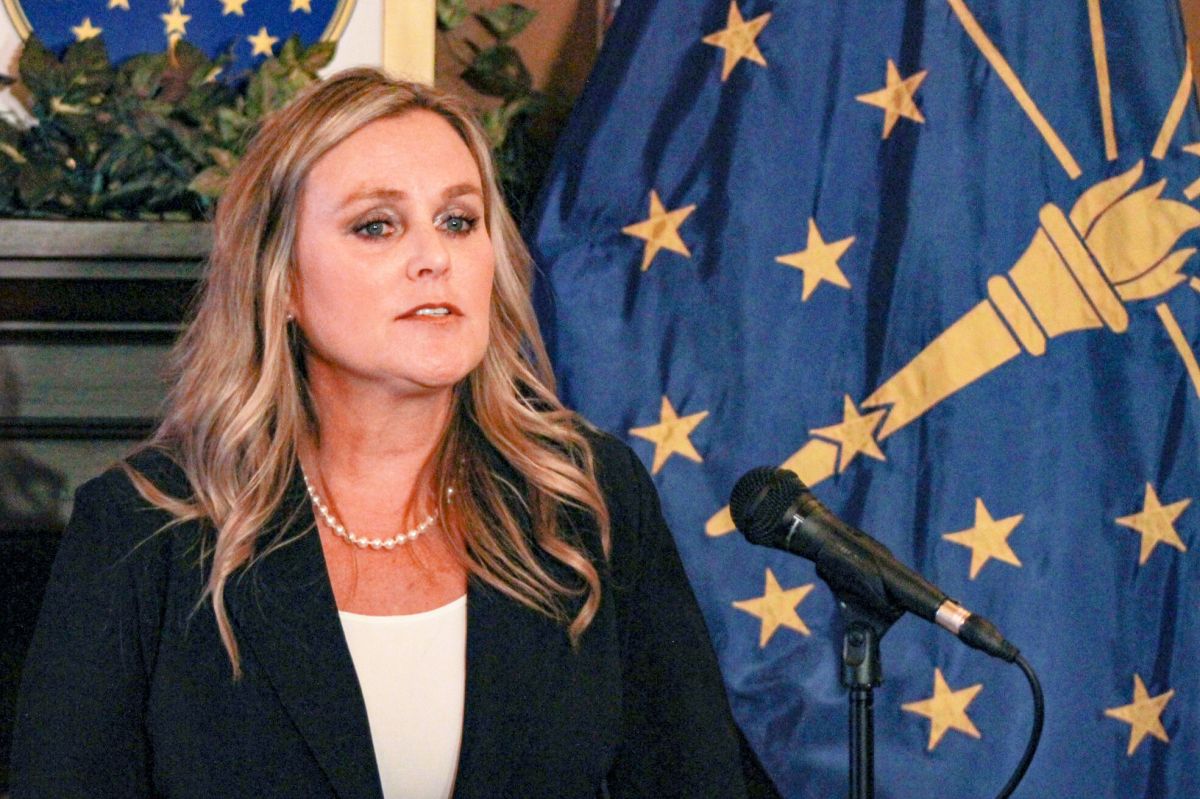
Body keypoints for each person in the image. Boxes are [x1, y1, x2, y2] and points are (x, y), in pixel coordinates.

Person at [10, 69, 762, 798]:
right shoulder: (147, 527)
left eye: (459, 221)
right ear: (283, 284)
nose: (434, 257)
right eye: (377, 225)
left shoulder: (586, 496)